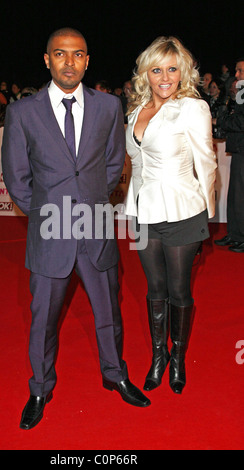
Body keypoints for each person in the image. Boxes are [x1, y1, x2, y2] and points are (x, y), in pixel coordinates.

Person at [1, 27, 150, 431]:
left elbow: (114, 161)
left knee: (108, 312)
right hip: (50, 233)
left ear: (88, 60)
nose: (70, 62)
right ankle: (39, 388)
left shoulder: (109, 107)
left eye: (78, 54)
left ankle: (115, 373)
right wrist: (52, 216)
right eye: (61, 54)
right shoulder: (22, 112)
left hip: (97, 227)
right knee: (43, 319)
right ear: (47, 59)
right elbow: (16, 178)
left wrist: (92, 206)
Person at [125, 36, 217, 395]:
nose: (165, 77)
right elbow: (136, 164)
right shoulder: (135, 111)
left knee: (179, 290)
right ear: (146, 73)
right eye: (157, 69)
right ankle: (158, 356)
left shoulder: (192, 108)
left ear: (184, 73)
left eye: (172, 69)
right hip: (144, 213)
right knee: (154, 290)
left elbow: (207, 164)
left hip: (183, 212)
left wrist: (206, 219)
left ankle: (177, 359)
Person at [215, 58, 244, 253]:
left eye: (240, 71)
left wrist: (223, 121)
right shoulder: (240, 94)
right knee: (234, 195)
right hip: (238, 150)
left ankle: (241, 237)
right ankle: (234, 234)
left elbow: (240, 123)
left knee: (240, 196)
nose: (236, 75)